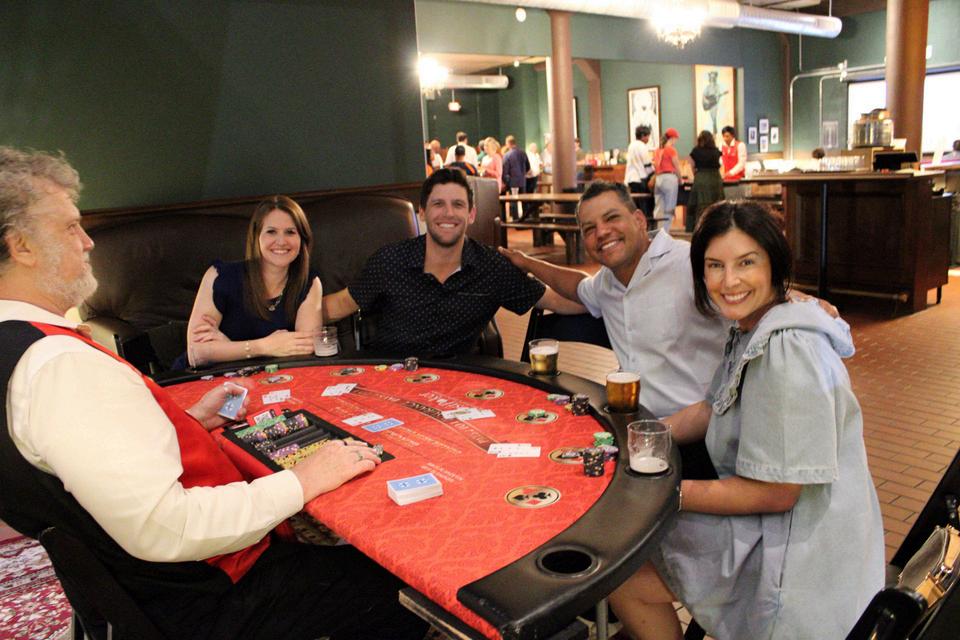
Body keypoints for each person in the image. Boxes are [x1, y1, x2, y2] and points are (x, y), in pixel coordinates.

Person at [0, 146, 427, 640]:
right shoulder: (60, 364)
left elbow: (94, 460)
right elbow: (168, 527)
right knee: (399, 588)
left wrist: (187, 422)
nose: (87, 241)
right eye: (71, 227)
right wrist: (305, 479)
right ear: (22, 247)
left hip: (141, 585)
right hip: (204, 594)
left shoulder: (22, 349)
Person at [607, 201, 884, 640]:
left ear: (775, 263)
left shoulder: (788, 350)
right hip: (777, 526)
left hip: (800, 556)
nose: (729, 281)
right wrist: (636, 440)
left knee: (622, 574)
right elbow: (711, 407)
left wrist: (662, 492)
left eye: (746, 262)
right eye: (715, 265)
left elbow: (776, 492)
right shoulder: (755, 325)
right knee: (629, 549)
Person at [322, 168, 583, 357]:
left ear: (471, 214)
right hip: (391, 380)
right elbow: (337, 306)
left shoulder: (492, 267)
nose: (448, 213)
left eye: (458, 205)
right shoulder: (390, 260)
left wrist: (531, 264)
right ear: (422, 212)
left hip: (458, 388)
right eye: (438, 204)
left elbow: (559, 300)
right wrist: (296, 315)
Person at [181, 195, 323, 369]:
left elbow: (305, 351)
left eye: (290, 232)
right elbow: (196, 354)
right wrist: (264, 346)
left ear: (302, 239)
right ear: (256, 237)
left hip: (274, 379)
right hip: (208, 378)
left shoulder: (309, 283)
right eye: (271, 232)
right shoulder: (220, 276)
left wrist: (226, 347)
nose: (281, 241)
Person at [686, 130, 724, 233]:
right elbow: (720, 165)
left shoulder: (696, 151)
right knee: (716, 205)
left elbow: (692, 164)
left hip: (701, 178)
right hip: (715, 178)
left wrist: (696, 174)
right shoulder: (716, 151)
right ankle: (717, 229)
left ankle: (700, 229)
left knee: (700, 205)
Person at [653, 128, 682, 231]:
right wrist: (680, 179)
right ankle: (665, 232)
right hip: (669, 178)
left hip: (659, 178)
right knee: (669, 208)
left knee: (658, 207)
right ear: (672, 138)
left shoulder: (658, 150)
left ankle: (657, 231)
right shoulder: (671, 150)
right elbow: (677, 166)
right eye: (675, 139)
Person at [624, 124, 654, 221]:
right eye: (648, 136)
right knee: (644, 206)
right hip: (640, 179)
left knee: (635, 205)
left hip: (631, 179)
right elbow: (647, 164)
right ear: (643, 136)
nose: (648, 139)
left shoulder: (631, 145)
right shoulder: (642, 146)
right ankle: (645, 224)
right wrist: (653, 174)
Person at [720, 125, 747, 199]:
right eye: (724, 136)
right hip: (725, 180)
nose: (725, 139)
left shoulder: (740, 145)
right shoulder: (721, 146)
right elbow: (721, 160)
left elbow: (741, 164)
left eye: (727, 136)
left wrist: (731, 173)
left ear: (732, 136)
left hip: (738, 180)